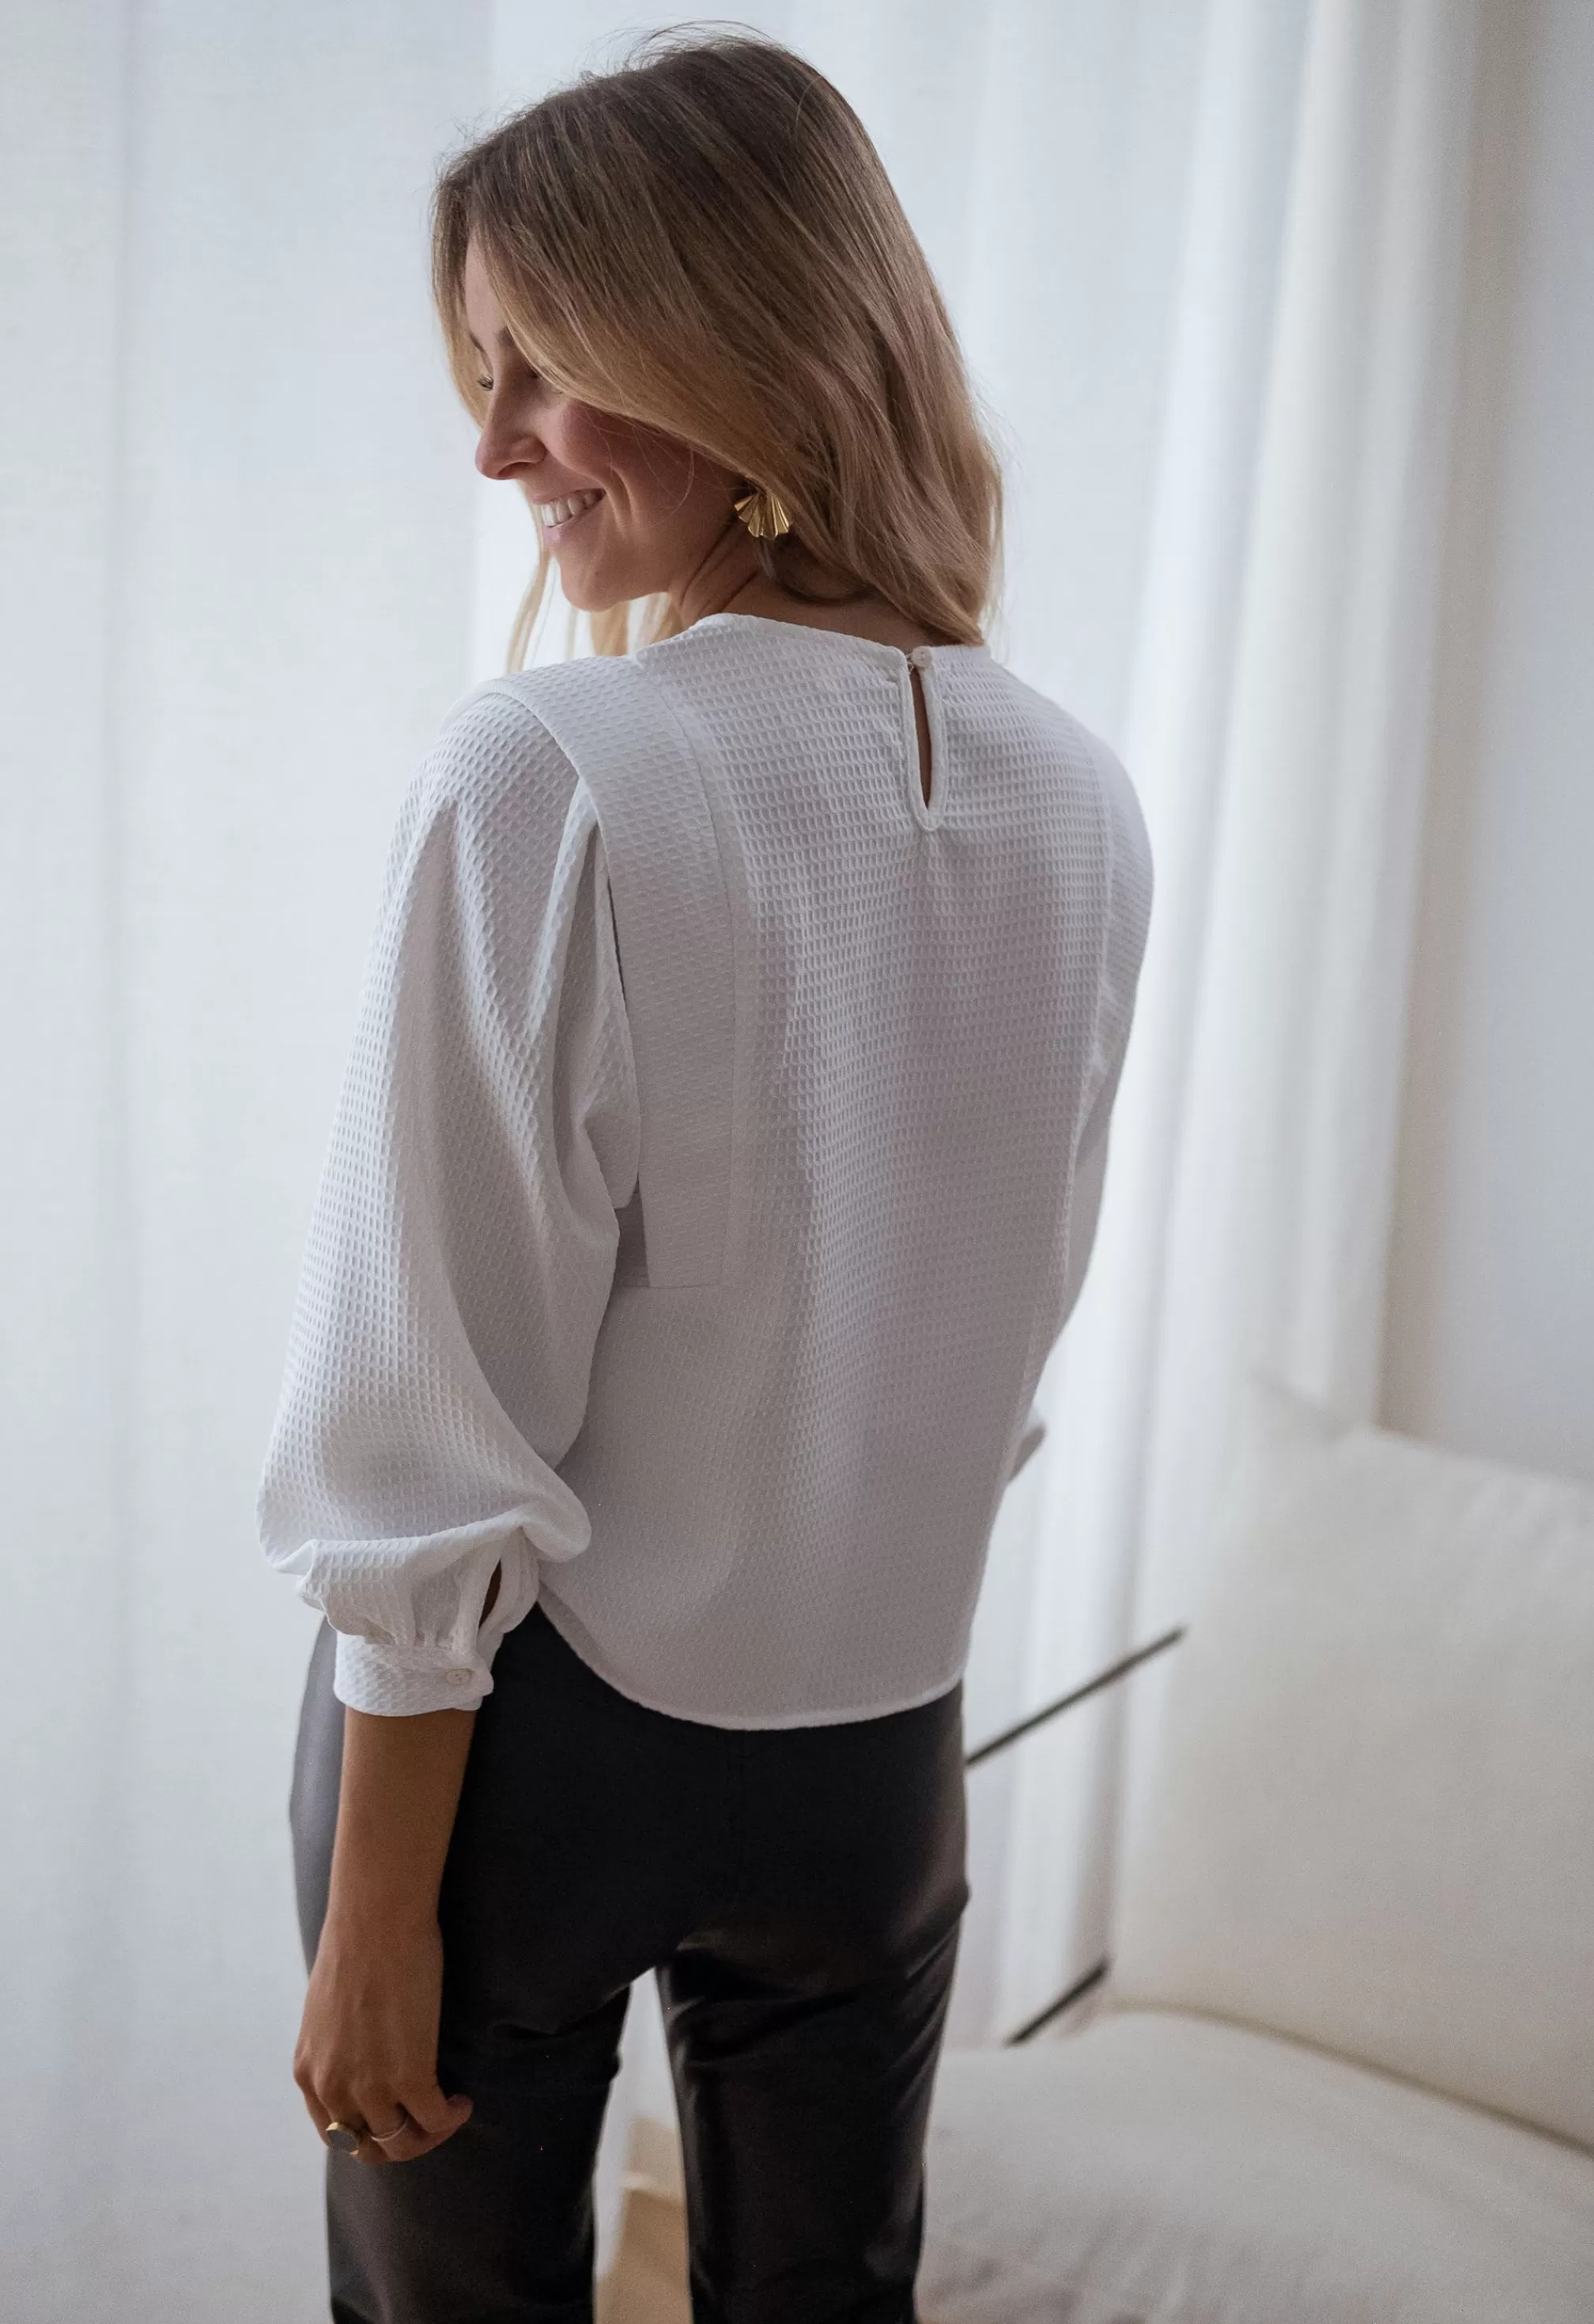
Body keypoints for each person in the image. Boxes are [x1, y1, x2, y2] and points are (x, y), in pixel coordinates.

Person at [256, 25, 1152, 2324]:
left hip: (526, 1763)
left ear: (728, 345)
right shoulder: (1084, 797)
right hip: (878, 1762)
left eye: (540, 368)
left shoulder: (555, 769)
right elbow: (985, 1338)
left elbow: (426, 1398)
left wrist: (374, 1923)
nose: (494, 446)